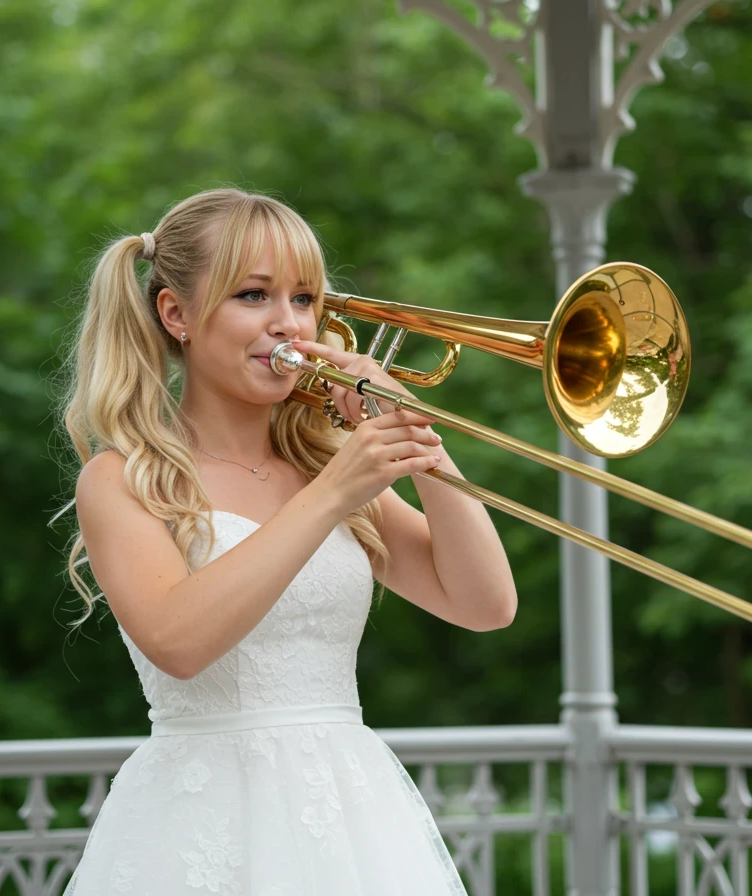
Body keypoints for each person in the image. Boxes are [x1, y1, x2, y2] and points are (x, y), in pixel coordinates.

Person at [54, 187, 517, 895]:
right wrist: (335, 492)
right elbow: (178, 641)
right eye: (253, 296)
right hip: (199, 824)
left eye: (304, 300)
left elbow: (485, 603)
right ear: (176, 314)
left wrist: (423, 441)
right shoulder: (122, 478)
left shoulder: (325, 463)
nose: (288, 325)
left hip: (350, 814)